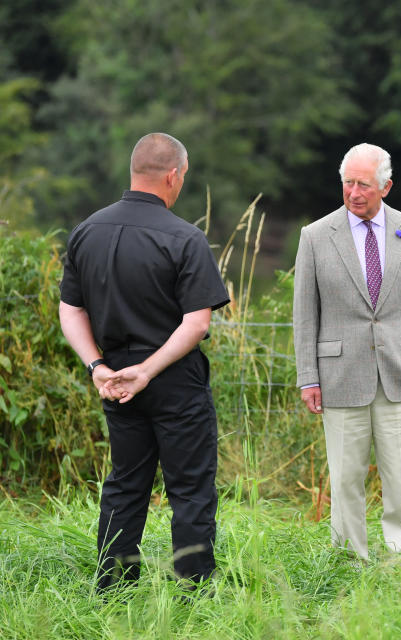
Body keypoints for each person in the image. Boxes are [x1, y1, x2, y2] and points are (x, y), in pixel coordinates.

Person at [58, 133, 230, 591]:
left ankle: (113, 589)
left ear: (134, 170)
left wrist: (97, 367)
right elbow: (196, 325)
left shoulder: (86, 231)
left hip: (114, 380)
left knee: (124, 485)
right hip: (174, 380)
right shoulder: (186, 238)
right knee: (190, 489)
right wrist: (149, 371)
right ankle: (193, 590)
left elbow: (70, 309)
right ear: (173, 175)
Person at [293, 143, 401, 561]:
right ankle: (349, 561)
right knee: (346, 479)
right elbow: (305, 315)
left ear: (386, 187)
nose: (354, 192)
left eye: (364, 184)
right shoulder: (314, 237)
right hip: (340, 378)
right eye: (348, 183)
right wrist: (308, 376)